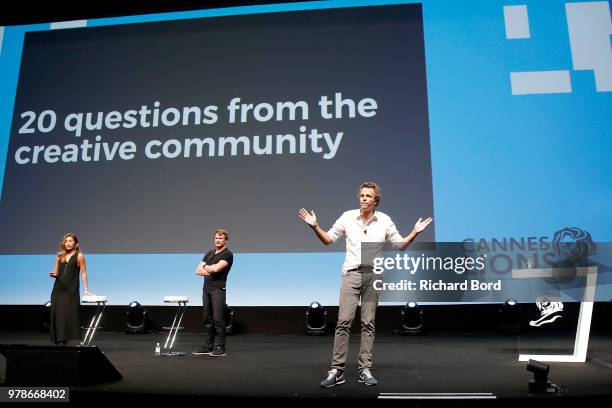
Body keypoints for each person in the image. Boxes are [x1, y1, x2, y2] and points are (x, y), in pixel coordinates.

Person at [298, 181, 433, 387]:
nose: (363, 198)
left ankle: (365, 369)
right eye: (361, 195)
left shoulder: (384, 220)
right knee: (343, 322)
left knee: (368, 323)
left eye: (368, 196)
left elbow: (400, 245)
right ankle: (337, 370)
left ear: (375, 200)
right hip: (351, 275)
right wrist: (315, 226)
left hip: (373, 276)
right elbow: (328, 239)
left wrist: (415, 232)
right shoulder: (347, 217)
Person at [193, 229, 234, 357]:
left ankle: (220, 347)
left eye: (220, 238)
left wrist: (206, 267)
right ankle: (208, 346)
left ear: (225, 240)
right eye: (216, 238)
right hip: (206, 289)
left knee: (218, 319)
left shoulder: (228, 254)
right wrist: (209, 269)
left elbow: (216, 269)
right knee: (207, 319)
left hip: (218, 289)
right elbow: (197, 271)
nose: (218, 240)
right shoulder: (209, 254)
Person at [48, 233, 90, 345]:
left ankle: (65, 339)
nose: (68, 243)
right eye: (66, 241)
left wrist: (86, 289)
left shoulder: (79, 256)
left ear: (75, 243)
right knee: (57, 314)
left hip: (70, 290)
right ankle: (59, 339)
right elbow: (56, 273)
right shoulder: (59, 256)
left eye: (70, 241)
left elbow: (84, 273)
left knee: (67, 314)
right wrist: (53, 274)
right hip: (58, 289)